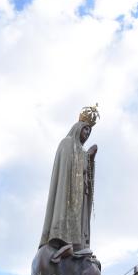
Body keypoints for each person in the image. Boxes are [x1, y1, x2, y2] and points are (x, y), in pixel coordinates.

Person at [39, 104, 99, 262]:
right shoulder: (66, 143)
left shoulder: (81, 150)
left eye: (89, 131)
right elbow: (68, 168)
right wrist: (87, 157)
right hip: (68, 193)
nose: (87, 134)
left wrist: (90, 159)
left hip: (80, 194)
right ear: (78, 127)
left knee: (79, 219)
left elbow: (86, 171)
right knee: (67, 211)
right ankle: (63, 242)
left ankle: (77, 246)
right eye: (85, 129)